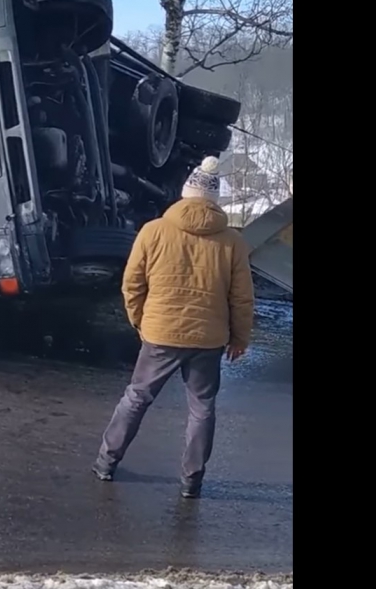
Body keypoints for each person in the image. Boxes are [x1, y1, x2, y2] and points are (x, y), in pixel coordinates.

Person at [91, 156, 255, 498]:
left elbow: (132, 283)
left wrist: (140, 320)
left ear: (185, 193)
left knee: (137, 397)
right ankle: (191, 482)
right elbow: (241, 297)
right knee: (202, 407)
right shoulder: (232, 242)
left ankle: (106, 463)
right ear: (214, 199)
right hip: (208, 340)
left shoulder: (153, 231)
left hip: (160, 334)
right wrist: (240, 338)